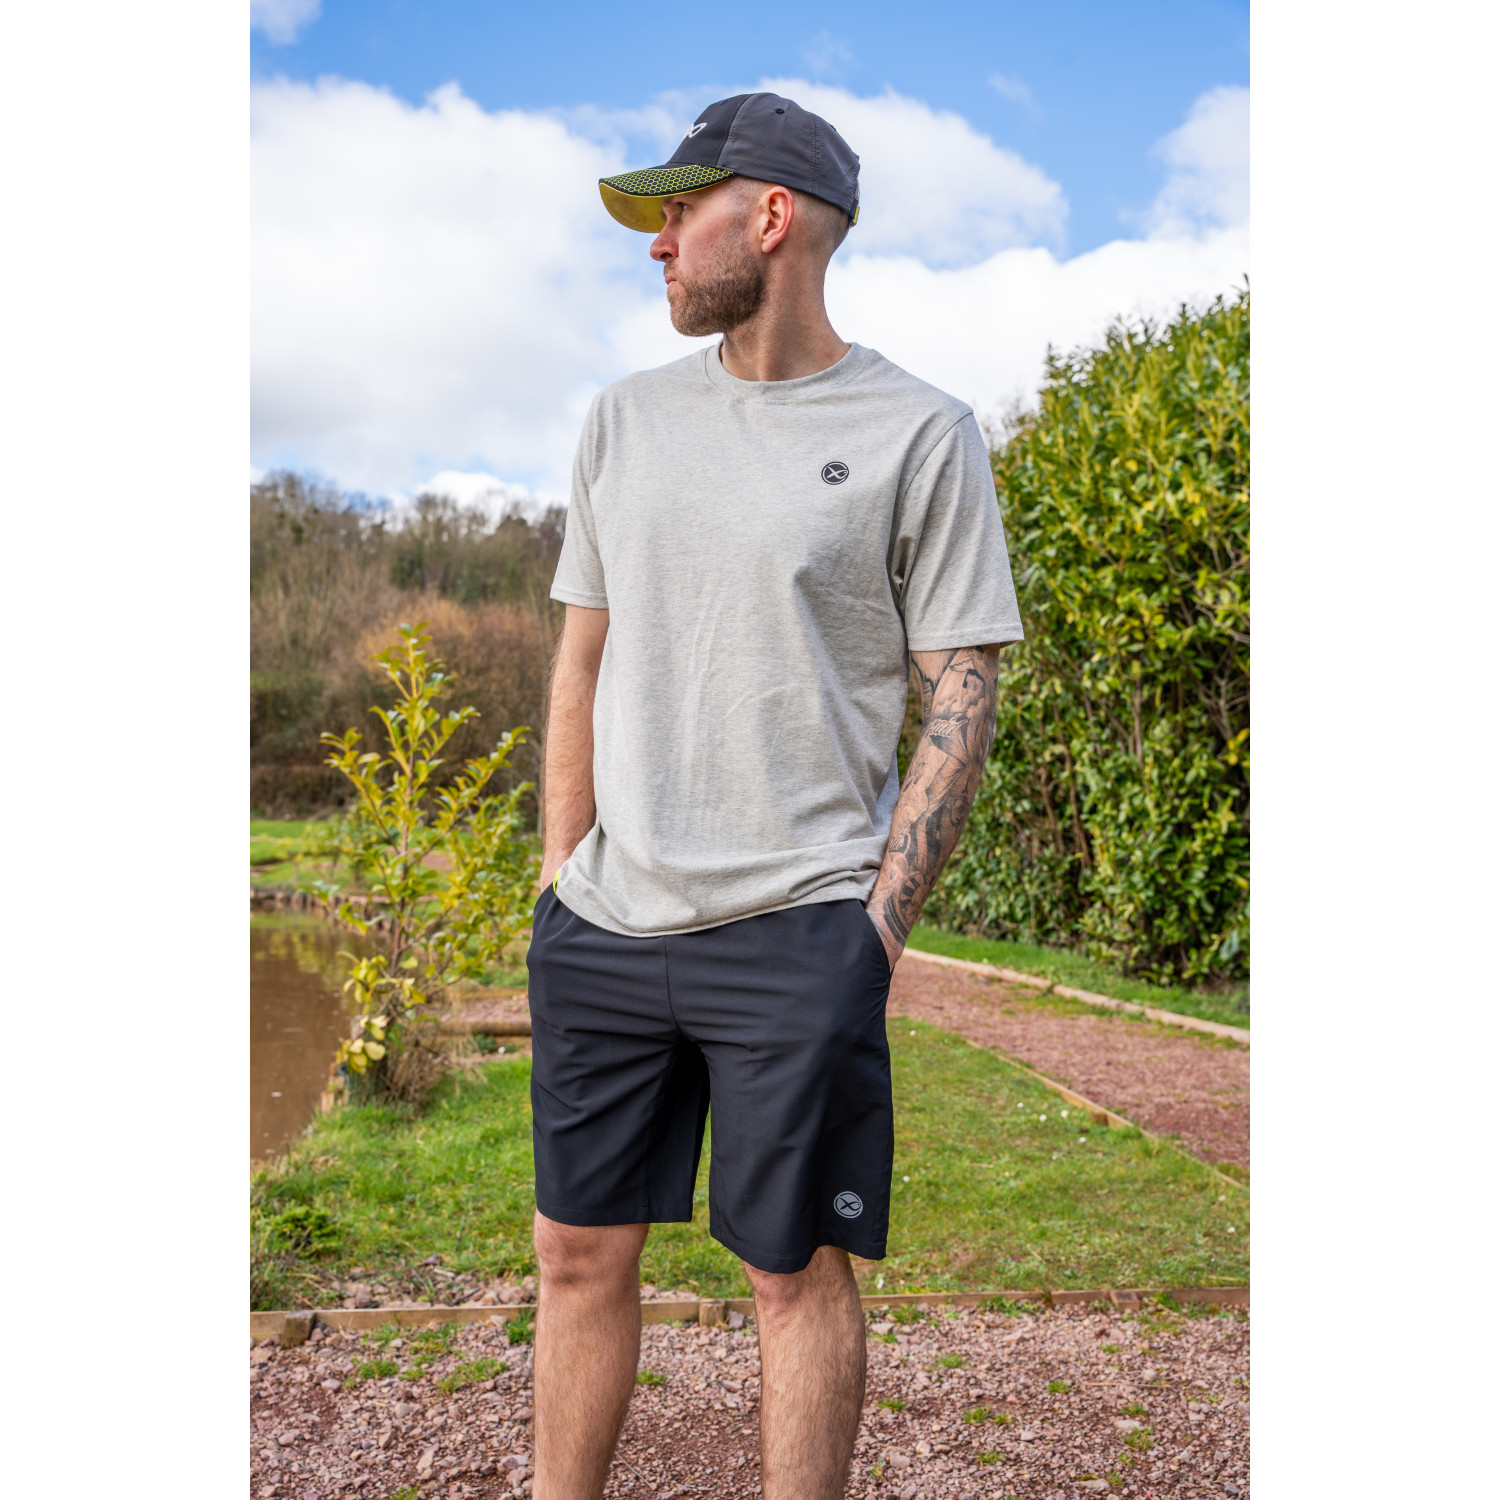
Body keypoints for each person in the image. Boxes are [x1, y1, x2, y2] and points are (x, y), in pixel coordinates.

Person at [525, 92, 1023, 1500]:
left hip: (799, 926)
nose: (657, 242)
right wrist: (558, 878)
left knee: (793, 1274)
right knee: (575, 1256)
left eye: (680, 210)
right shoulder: (623, 421)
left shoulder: (921, 433)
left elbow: (964, 692)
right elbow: (580, 662)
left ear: (773, 217)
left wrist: (873, 933)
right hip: (607, 922)